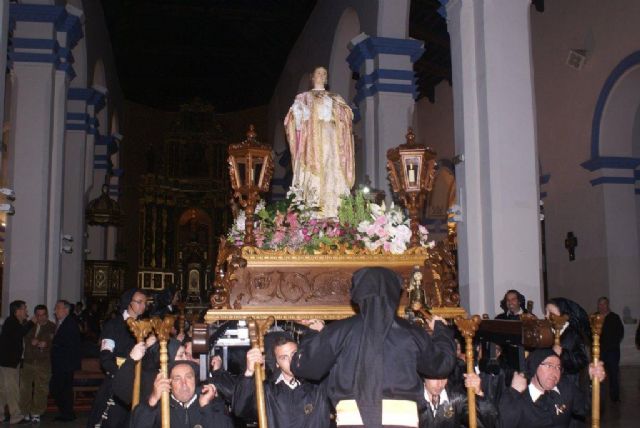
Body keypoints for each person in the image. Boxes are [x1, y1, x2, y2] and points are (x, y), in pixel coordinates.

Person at [291, 267, 457, 428]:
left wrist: (312, 335)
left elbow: (306, 367)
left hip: (353, 422)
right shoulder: (412, 332)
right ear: (394, 294)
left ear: (358, 295)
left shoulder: (339, 330)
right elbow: (441, 365)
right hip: (402, 422)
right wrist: (441, 333)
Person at [284, 66, 355, 218]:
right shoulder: (303, 97)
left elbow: (347, 115)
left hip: (331, 136)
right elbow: (293, 119)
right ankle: (311, 211)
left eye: (324, 74)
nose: (322, 75)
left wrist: (337, 110)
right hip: (312, 140)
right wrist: (297, 113)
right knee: (315, 168)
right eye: (318, 73)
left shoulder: (335, 97)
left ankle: (335, 210)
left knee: (332, 166)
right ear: (312, 77)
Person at [233, 333, 331, 428]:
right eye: (284, 358)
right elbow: (240, 410)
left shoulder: (318, 386)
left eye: (294, 354)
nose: (291, 361)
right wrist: (249, 372)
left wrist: (324, 334)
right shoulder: (267, 391)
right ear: (277, 364)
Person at [498, 348, 605, 427]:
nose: (554, 372)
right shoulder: (521, 395)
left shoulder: (564, 387)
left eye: (558, 367)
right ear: (534, 367)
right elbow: (503, 424)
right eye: (549, 365)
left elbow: (586, 407)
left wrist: (592, 383)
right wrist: (513, 392)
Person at [87, 288, 147, 427]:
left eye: (145, 302)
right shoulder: (114, 325)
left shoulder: (145, 326)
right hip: (118, 380)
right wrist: (120, 374)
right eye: (139, 302)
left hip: (140, 382)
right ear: (128, 303)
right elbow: (106, 357)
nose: (143, 306)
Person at [130, 361, 230, 428]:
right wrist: (153, 399)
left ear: (195, 380)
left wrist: (206, 407)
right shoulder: (160, 405)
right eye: (177, 379)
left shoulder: (210, 401)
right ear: (170, 383)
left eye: (188, 377)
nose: (184, 384)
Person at [19, 304, 56, 424]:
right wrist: (31, 341)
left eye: (43, 315)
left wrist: (47, 344)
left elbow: (56, 342)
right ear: (35, 315)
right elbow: (22, 336)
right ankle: (24, 412)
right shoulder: (30, 325)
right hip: (29, 360)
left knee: (41, 389)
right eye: (38, 315)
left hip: (43, 362)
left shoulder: (52, 327)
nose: (41, 318)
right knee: (25, 388)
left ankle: (36, 412)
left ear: (47, 315)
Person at [419, 374, 498, 428]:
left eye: (443, 377)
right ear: (424, 376)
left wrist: (478, 393)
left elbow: (488, 421)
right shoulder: (413, 400)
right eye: (435, 377)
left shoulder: (455, 399)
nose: (439, 383)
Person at [0, 300, 34, 424]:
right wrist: (32, 322)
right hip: (9, 362)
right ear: (17, 311)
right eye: (24, 308)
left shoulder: (13, 322)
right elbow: (20, 333)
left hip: (7, 361)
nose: (26, 311)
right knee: (12, 389)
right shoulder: (11, 322)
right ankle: (15, 416)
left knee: (3, 389)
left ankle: (1, 414)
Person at [545, 298, 590, 386]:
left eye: (550, 313)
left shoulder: (573, 334)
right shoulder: (549, 332)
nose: (546, 316)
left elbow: (581, 361)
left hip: (569, 383)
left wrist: (563, 353)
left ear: (563, 314)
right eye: (546, 312)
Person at [51, 300, 82, 422]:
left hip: (65, 364)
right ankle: (67, 413)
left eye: (58, 308)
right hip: (62, 364)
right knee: (61, 389)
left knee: (60, 389)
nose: (55, 311)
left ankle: (67, 413)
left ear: (66, 310)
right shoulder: (63, 322)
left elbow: (70, 344)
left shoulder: (69, 323)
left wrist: (54, 343)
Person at [596, 296, 624, 403]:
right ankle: (599, 398)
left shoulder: (614, 317)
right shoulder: (595, 317)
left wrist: (613, 344)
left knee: (613, 374)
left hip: (612, 351)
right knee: (598, 375)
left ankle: (615, 397)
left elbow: (620, 332)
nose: (601, 306)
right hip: (599, 352)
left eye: (604, 304)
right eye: (600, 304)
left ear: (608, 305)